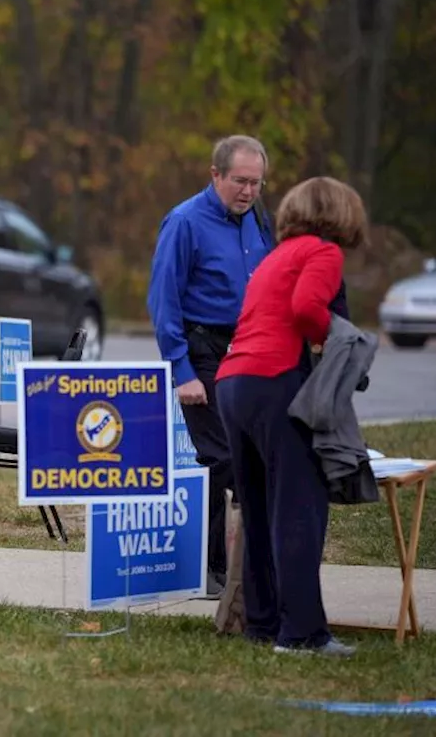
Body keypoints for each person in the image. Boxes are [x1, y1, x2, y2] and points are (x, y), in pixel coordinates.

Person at [215, 177, 368, 657]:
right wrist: (333, 340)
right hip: (276, 379)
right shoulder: (322, 252)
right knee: (298, 509)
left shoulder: (273, 256)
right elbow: (306, 310)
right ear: (340, 213)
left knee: (258, 508)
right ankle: (302, 634)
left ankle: (262, 624)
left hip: (233, 382)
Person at [146, 135, 274, 596]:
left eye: (256, 183)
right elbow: (163, 301)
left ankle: (246, 566)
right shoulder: (183, 222)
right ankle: (212, 568)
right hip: (202, 352)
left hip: (251, 352)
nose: (248, 191)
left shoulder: (259, 220)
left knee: (253, 458)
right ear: (215, 174)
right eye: (239, 181)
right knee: (222, 461)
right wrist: (182, 372)